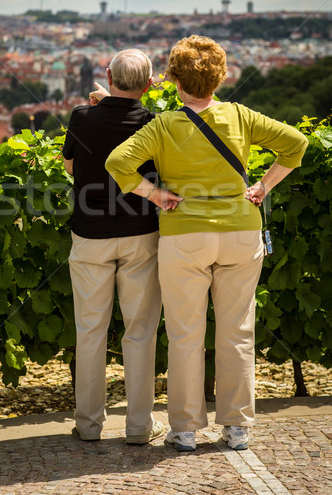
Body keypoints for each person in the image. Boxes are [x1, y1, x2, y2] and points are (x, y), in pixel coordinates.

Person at [105, 35, 308, 452]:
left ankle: (184, 429)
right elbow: (296, 143)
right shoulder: (240, 116)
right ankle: (237, 428)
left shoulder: (164, 124)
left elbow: (117, 163)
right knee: (237, 333)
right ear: (220, 77)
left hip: (185, 236)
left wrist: (157, 195)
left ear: (176, 81)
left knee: (184, 335)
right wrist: (263, 186)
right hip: (240, 231)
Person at [63, 49, 164, 444]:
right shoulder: (154, 124)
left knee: (90, 330)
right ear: (149, 84)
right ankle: (139, 427)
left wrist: (99, 104)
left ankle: (88, 425)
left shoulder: (81, 117)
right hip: (141, 233)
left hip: (90, 236)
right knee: (140, 331)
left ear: (107, 75)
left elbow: (70, 166)